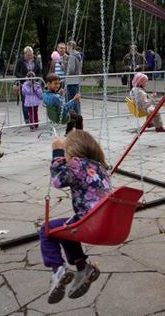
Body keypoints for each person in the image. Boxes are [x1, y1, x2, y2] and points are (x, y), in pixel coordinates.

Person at [40, 130, 110, 303]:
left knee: (46, 230)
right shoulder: (100, 166)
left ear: (72, 150)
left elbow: (57, 181)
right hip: (104, 221)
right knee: (66, 229)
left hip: (90, 222)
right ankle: (82, 267)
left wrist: (57, 152)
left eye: (66, 151)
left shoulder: (78, 164)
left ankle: (58, 270)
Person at [15, 46, 43, 123]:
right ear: (24, 54)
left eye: (30, 55)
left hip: (34, 84)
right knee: (25, 102)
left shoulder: (35, 61)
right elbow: (16, 72)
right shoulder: (20, 61)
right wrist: (24, 78)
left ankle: (34, 118)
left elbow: (39, 72)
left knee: (34, 102)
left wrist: (39, 80)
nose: (29, 57)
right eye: (28, 55)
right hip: (24, 85)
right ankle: (27, 118)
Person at [65, 41, 84, 110]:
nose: (66, 48)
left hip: (71, 80)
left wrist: (65, 68)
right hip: (76, 79)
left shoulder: (72, 56)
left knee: (71, 98)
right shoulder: (78, 55)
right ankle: (77, 113)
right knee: (76, 97)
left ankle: (73, 114)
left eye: (66, 46)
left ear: (70, 46)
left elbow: (71, 69)